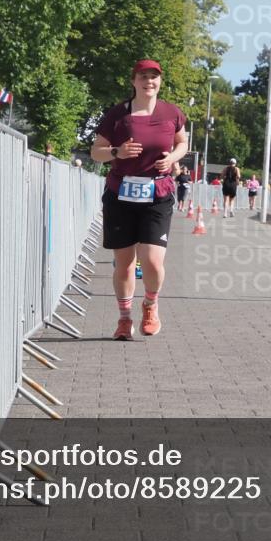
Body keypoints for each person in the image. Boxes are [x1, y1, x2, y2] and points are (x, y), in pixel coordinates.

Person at [91, 59, 188, 341]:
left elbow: (183, 143)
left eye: (154, 77)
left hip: (157, 194)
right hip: (121, 193)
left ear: (160, 82)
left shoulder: (171, 112)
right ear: (133, 81)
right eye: (144, 77)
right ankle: (124, 319)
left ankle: (150, 304)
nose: (149, 82)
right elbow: (96, 151)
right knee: (124, 263)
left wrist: (172, 157)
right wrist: (116, 152)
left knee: (152, 261)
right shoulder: (118, 115)